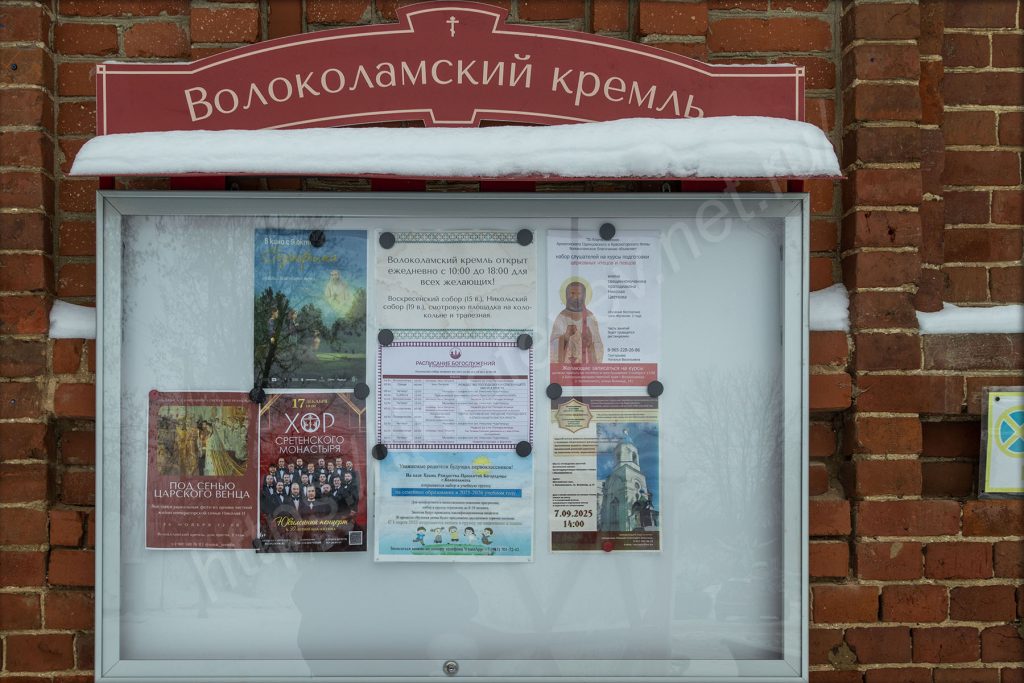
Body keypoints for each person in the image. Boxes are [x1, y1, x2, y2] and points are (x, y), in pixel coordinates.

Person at [550, 280, 603, 364]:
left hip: (585, 366)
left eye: (579, 294)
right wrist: (565, 337)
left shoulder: (590, 318)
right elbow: (552, 345)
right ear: (566, 295)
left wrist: (590, 342)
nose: (575, 297)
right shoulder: (561, 317)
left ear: (584, 296)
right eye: (572, 293)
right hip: (566, 366)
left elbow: (598, 345)